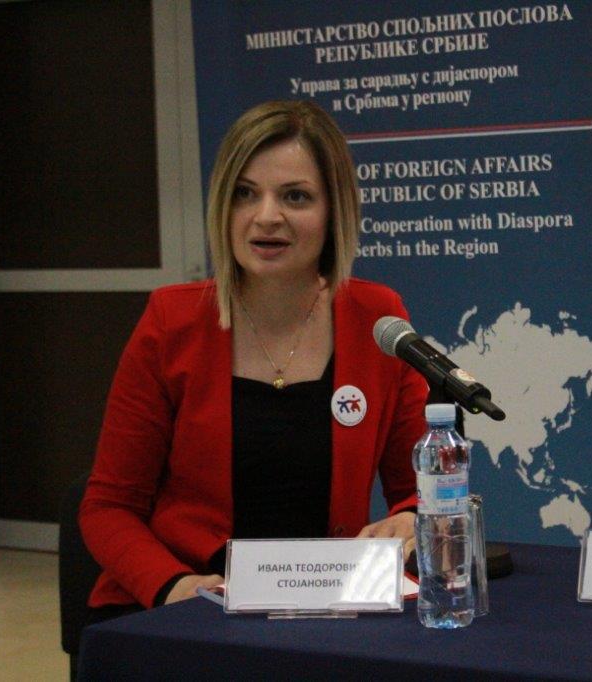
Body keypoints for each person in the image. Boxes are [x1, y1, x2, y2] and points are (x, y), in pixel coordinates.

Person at [80, 100, 428, 616]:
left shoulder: (378, 318)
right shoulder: (171, 321)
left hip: (325, 604)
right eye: (245, 193)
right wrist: (174, 586)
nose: (266, 217)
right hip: (183, 600)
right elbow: (108, 508)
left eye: (295, 196)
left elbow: (421, 491)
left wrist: (412, 518)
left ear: (335, 211)